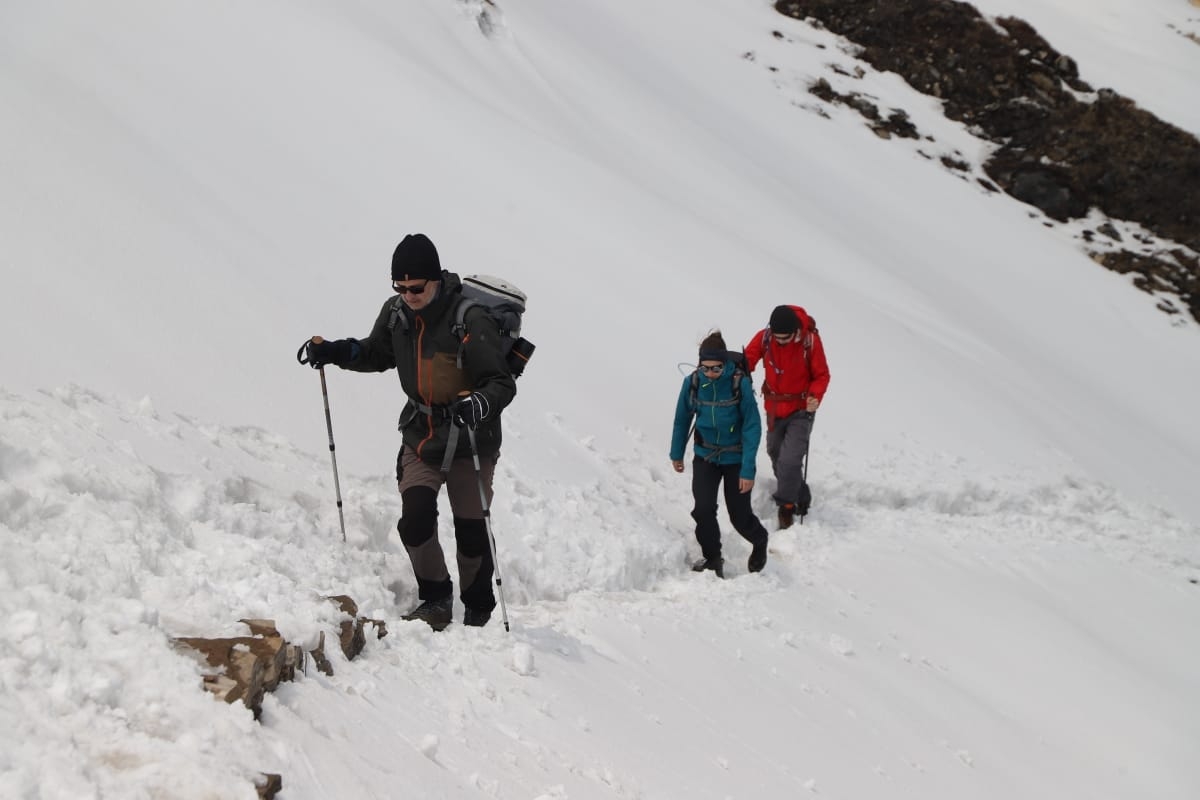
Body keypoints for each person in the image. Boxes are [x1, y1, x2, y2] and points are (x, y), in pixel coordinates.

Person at [303, 233, 517, 630]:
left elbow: (501, 383)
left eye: (415, 287)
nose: (408, 294)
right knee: (415, 520)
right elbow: (376, 353)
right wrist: (335, 352)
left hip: (472, 440)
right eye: (399, 287)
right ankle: (435, 598)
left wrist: (481, 403)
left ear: (434, 279)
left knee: (471, 529)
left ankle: (479, 607)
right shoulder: (396, 313)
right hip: (422, 435)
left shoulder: (470, 318)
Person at [670, 331, 770, 578]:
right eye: (705, 368)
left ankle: (760, 540)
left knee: (739, 516)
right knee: (703, 510)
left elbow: (752, 426)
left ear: (725, 364)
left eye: (716, 368)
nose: (711, 373)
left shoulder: (739, 383)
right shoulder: (693, 382)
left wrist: (748, 469)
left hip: (735, 459)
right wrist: (677, 453)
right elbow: (682, 419)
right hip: (706, 456)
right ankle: (713, 558)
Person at [744, 304, 830, 529]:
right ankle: (799, 491)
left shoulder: (809, 341)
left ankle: (787, 506)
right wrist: (738, 372)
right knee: (775, 452)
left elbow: (821, 375)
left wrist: (815, 396)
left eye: (785, 338)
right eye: (777, 337)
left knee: (790, 460)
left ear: (795, 332)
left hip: (801, 409)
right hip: (774, 407)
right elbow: (748, 359)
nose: (780, 342)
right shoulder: (765, 338)